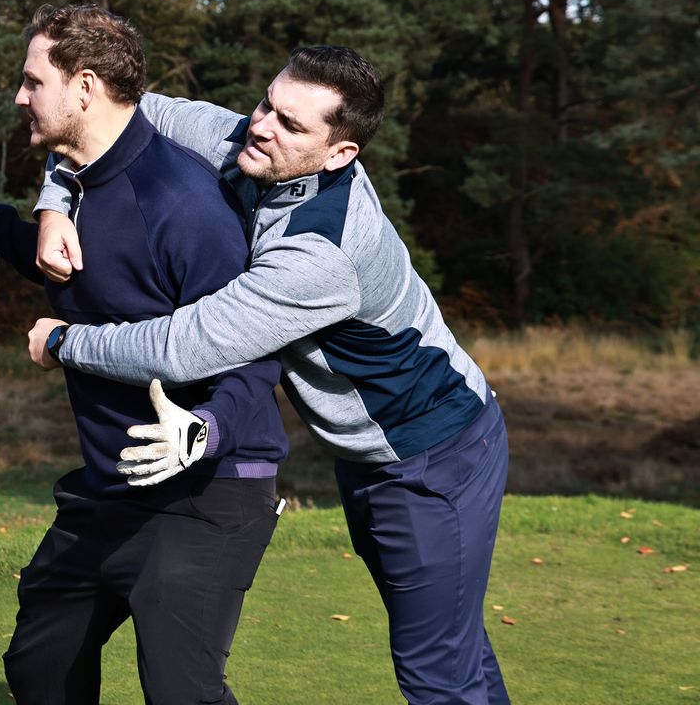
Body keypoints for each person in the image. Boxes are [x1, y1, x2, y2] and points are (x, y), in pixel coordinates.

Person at [27, 46, 511, 705]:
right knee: (453, 648)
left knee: (435, 670)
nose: (260, 126)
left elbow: (185, 347)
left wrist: (65, 340)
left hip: (434, 459)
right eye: (266, 105)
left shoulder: (320, 255)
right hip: (370, 456)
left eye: (291, 124)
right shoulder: (248, 141)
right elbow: (104, 121)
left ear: (340, 155)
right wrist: (54, 204)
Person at [0, 4, 287, 705]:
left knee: (181, 687)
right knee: (40, 662)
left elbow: (253, 359)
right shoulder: (77, 183)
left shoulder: (184, 205)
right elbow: (86, 274)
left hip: (209, 490)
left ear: (83, 88)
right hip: (112, 485)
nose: (20, 96)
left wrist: (203, 429)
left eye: (33, 81)